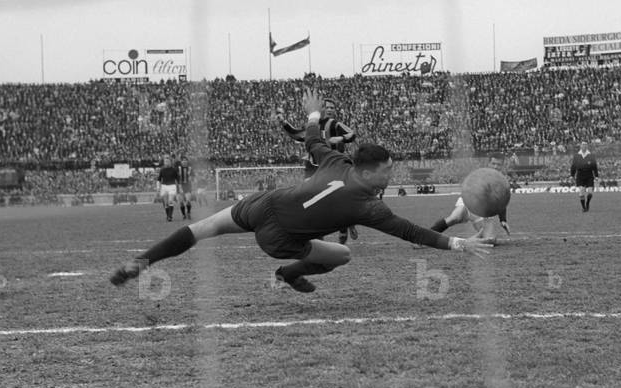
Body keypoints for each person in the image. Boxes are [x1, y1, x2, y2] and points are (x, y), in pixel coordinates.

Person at [112, 89, 491, 294]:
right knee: (341, 254)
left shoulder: (334, 160)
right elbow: (412, 232)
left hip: (263, 204)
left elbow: (312, 138)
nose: (391, 176)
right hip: (279, 237)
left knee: (198, 230)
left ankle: (142, 262)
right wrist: (458, 245)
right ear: (368, 171)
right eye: (387, 171)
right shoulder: (368, 207)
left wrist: (312, 112)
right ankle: (288, 273)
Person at [277, 96, 359, 244]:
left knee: (336, 202)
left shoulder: (334, 124)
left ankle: (345, 227)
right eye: (327, 107)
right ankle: (319, 237)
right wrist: (283, 122)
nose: (329, 110)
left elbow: (352, 134)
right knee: (311, 198)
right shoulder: (312, 125)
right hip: (313, 166)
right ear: (320, 109)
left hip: (333, 167)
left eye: (332, 108)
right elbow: (297, 134)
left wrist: (340, 139)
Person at [429, 197, 509, 246]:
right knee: (454, 218)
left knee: (490, 240)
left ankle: (463, 243)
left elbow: (501, 201)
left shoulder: (494, 185)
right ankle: (425, 237)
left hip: (482, 212)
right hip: (467, 203)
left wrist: (503, 220)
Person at [570, 144, 599, 212]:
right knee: (581, 193)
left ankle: (587, 203)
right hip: (580, 175)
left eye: (585, 146)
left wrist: (596, 176)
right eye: (582, 146)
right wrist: (572, 175)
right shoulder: (577, 156)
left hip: (589, 175)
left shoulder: (591, 155)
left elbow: (595, 166)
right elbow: (573, 166)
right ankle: (584, 207)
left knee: (590, 193)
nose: (584, 147)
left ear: (587, 147)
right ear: (580, 147)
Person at [156, 155, 181, 222]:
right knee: (166, 203)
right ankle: (168, 216)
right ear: (164, 162)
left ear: (170, 162)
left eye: (168, 161)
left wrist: (180, 187)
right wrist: (158, 188)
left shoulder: (174, 169)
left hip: (172, 186)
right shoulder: (162, 170)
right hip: (164, 186)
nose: (166, 162)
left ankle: (170, 216)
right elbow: (158, 179)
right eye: (165, 161)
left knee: (170, 201)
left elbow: (178, 179)